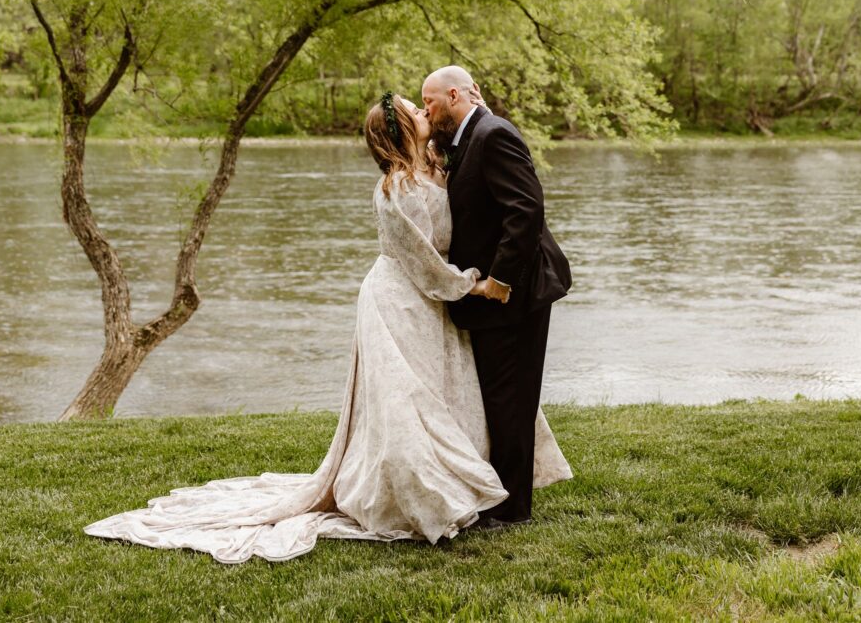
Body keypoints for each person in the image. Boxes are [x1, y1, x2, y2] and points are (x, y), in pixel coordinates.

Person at [82, 91, 572, 563]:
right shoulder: (396, 189)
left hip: (437, 304)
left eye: (423, 103)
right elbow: (423, 262)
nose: (423, 110)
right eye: (412, 108)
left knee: (448, 393)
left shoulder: (440, 163)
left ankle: (471, 484)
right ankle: (421, 493)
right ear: (403, 128)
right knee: (409, 399)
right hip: (404, 301)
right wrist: (476, 285)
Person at [422, 66, 573, 529]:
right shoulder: (468, 136)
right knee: (499, 396)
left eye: (429, 103)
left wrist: (502, 280)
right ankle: (503, 495)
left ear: (453, 96)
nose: (426, 111)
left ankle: (513, 510)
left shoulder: (494, 134)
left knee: (513, 397)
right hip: (492, 296)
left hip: (516, 293)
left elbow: (525, 209)